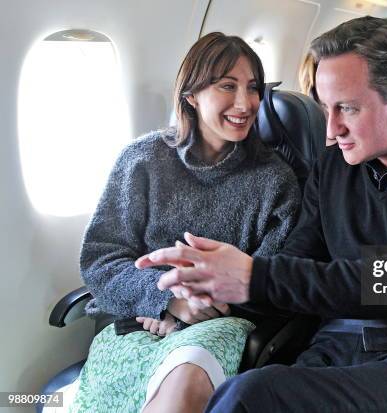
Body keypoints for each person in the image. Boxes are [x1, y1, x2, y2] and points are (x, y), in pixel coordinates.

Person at [139, 16, 387, 412]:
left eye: (347, 109)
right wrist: (209, 285)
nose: (331, 130)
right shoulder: (334, 166)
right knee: (250, 387)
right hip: (337, 346)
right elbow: (295, 267)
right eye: (324, 108)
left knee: (252, 398)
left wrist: (253, 277)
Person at [74, 32, 300, 412]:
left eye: (253, 88)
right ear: (191, 95)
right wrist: (166, 300)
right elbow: (99, 261)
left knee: (184, 381)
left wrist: (192, 311)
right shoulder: (142, 162)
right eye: (228, 86)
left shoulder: (275, 181)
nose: (245, 103)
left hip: (219, 327)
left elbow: (272, 278)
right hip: (138, 321)